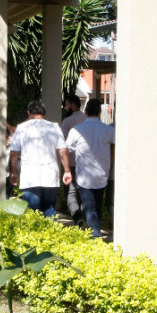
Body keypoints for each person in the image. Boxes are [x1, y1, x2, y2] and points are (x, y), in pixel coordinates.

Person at [9, 101, 72, 217]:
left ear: (28, 113)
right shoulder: (54, 127)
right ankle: (51, 234)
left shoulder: (21, 128)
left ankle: (35, 235)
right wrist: (67, 171)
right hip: (50, 175)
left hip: (30, 176)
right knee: (50, 209)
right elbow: (63, 151)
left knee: (33, 213)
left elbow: (14, 152)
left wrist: (12, 171)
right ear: (45, 113)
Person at [66, 99, 115, 239]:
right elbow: (115, 145)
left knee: (89, 206)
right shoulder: (109, 130)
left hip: (83, 176)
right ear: (100, 112)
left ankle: (96, 234)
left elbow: (68, 147)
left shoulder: (76, 130)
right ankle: (95, 231)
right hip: (102, 174)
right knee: (97, 207)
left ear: (85, 111)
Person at [60, 94, 86, 222]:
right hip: (85, 163)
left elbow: (62, 143)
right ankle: (83, 217)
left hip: (70, 161)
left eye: (67, 104)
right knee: (82, 191)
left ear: (73, 105)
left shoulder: (67, 121)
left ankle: (77, 217)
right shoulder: (86, 119)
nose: (65, 107)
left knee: (70, 192)